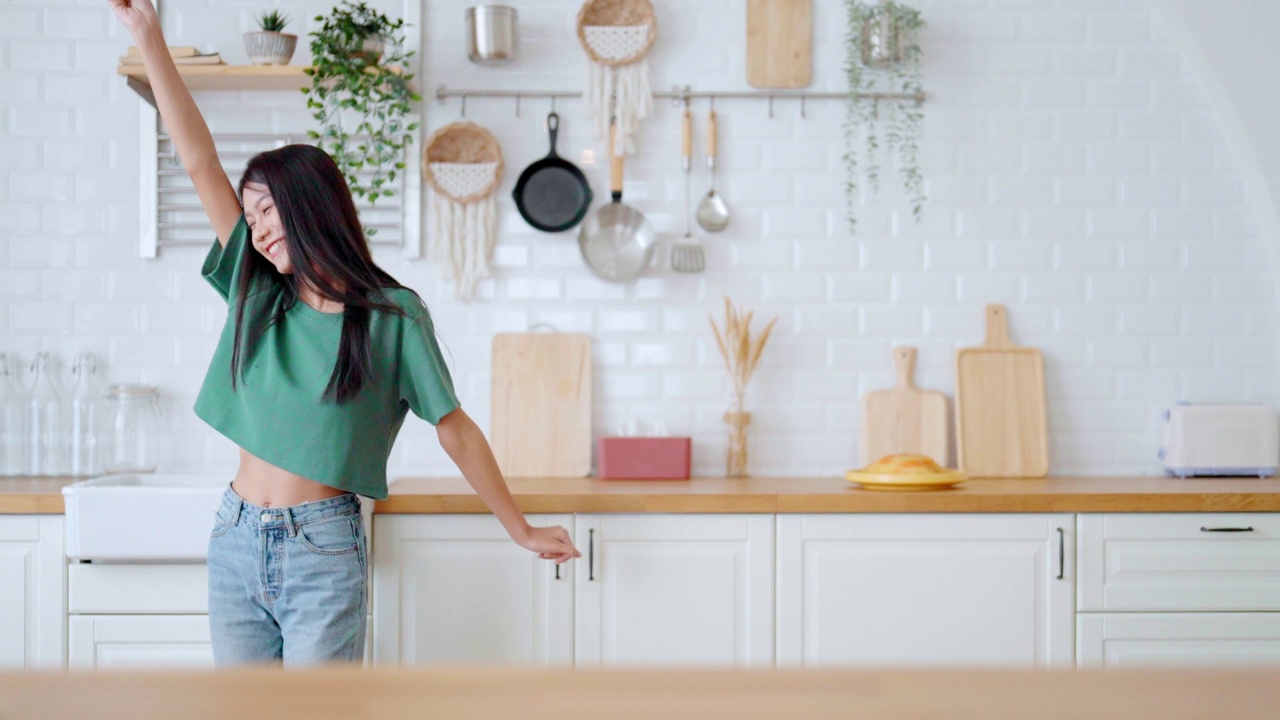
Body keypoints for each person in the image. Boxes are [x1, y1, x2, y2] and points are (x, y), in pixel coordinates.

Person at [108, 0, 580, 667]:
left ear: (312, 206)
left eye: (269, 210)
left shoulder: (392, 317)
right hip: (235, 535)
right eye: (250, 216)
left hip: (322, 548)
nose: (260, 229)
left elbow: (455, 427)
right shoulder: (257, 295)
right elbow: (196, 160)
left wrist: (520, 527)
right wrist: (149, 36)